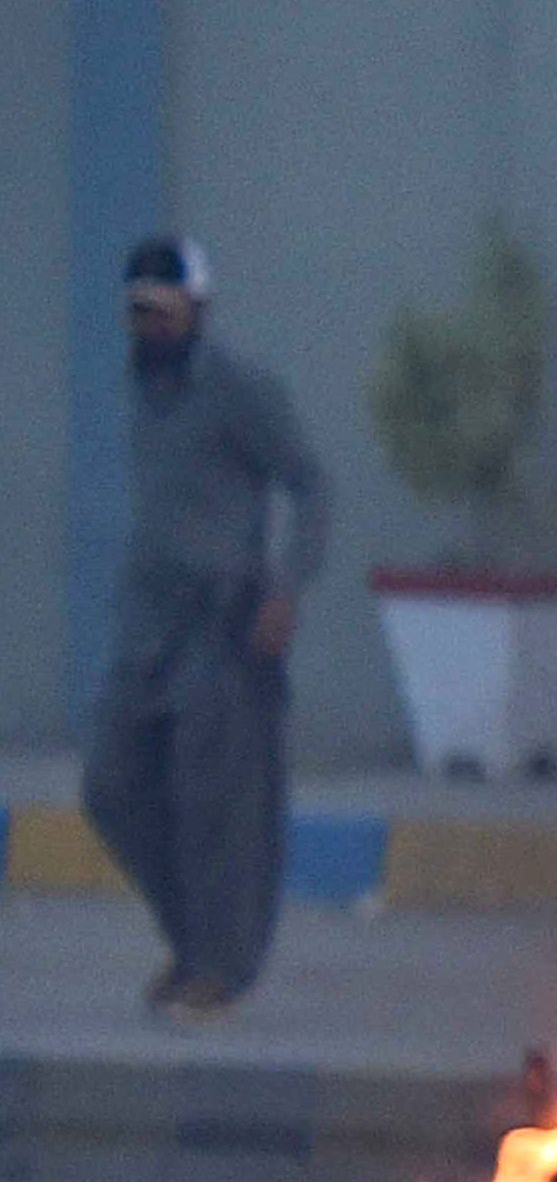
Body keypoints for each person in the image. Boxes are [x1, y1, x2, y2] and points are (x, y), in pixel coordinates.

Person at [83, 234, 326, 1020]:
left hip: (223, 627)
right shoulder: (137, 386)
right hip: (145, 623)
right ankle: (189, 941)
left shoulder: (240, 390)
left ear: (199, 308)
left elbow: (310, 484)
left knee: (212, 800)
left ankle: (217, 965)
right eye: (137, 311)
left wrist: (287, 590)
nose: (149, 325)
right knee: (111, 786)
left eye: (163, 309)